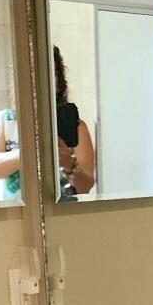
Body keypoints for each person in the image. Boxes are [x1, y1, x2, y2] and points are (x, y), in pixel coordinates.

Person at [53, 46, 96, 199]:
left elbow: (85, 187)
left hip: (66, 215)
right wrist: (29, 153)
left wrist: (68, 164)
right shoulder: (5, 122)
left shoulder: (76, 128)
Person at [0, 106, 21, 203]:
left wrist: (69, 166)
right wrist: (30, 152)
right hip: (13, 207)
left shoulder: (63, 121)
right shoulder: (6, 118)